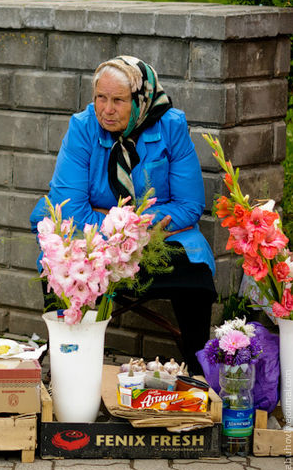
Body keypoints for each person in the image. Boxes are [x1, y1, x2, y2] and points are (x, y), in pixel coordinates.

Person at [30, 56, 216, 373]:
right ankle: (68, 369)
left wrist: (125, 224)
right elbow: (71, 210)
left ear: (141, 100)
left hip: (161, 240)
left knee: (196, 280)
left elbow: (189, 206)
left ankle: (199, 376)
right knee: (67, 270)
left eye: (118, 100)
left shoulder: (171, 126)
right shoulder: (83, 128)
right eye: (100, 98)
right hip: (93, 241)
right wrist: (123, 228)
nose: (106, 109)